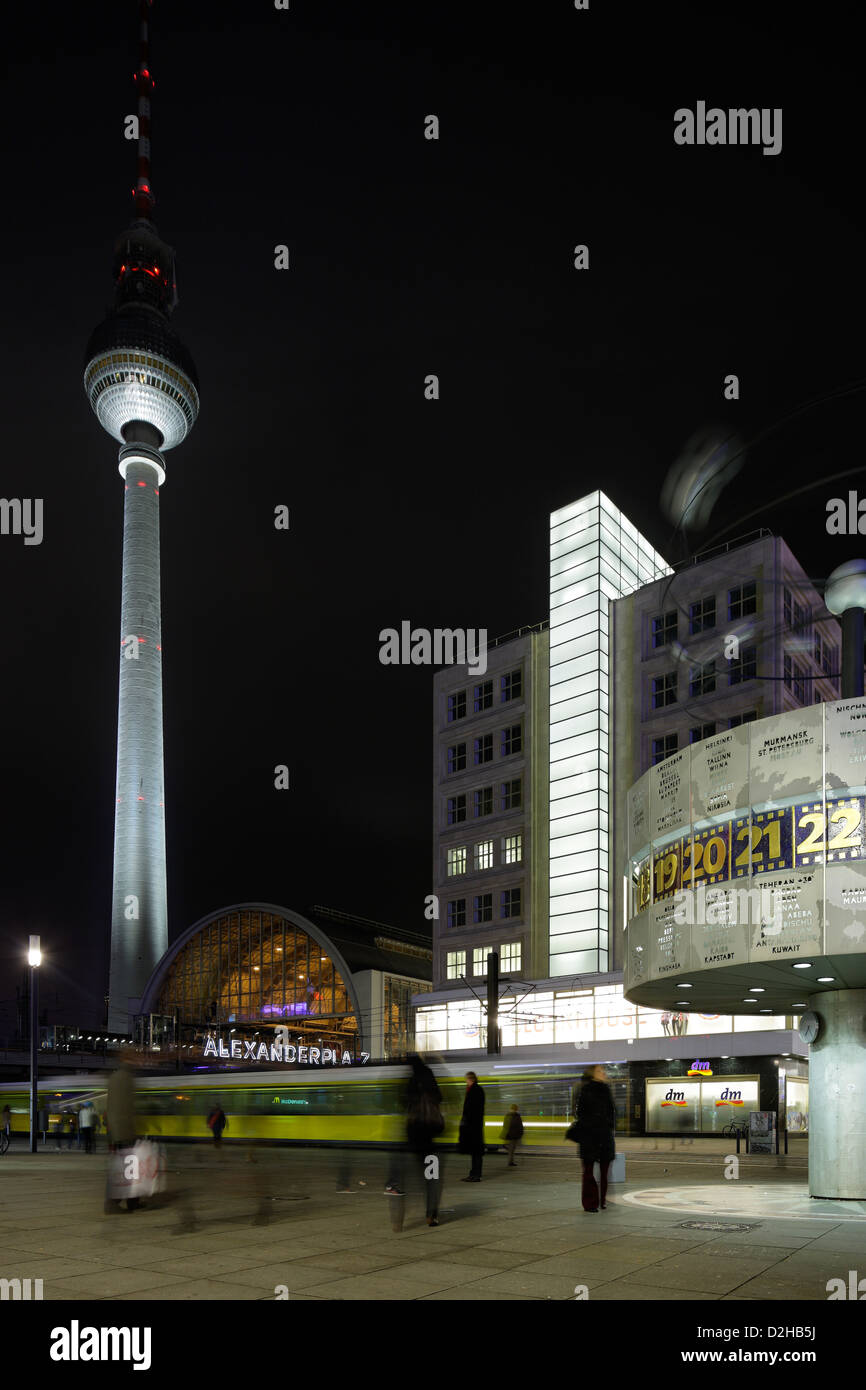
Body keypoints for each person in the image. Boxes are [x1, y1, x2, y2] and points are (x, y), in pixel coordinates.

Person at [405, 1055, 445, 1226]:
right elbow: (440, 1098)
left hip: (415, 1136)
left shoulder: (410, 1080)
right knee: (432, 1178)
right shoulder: (429, 1076)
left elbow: (403, 1102)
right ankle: (431, 1214)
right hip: (431, 1137)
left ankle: (405, 1214)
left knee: (417, 1175)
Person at [575, 1065, 616, 1213]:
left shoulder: (606, 1090)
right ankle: (590, 1203)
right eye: (600, 1071)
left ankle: (602, 1200)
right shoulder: (585, 1091)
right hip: (590, 1137)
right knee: (588, 1172)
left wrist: (608, 1127)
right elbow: (580, 1113)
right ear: (592, 1074)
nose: (603, 1073)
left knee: (605, 1172)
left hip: (604, 1137)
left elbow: (611, 1112)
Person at [459, 1071, 485, 1182]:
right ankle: (473, 1174)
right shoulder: (474, 1090)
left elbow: (472, 1109)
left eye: (467, 1079)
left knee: (476, 1152)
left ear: (471, 1079)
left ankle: (476, 1175)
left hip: (474, 1126)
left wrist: (467, 1122)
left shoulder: (475, 1090)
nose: (466, 1081)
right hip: (474, 1126)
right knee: (475, 1152)